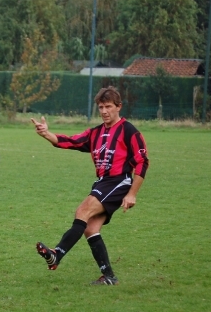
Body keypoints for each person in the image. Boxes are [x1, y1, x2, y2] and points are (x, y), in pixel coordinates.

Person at [31, 86, 149, 285]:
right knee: (90, 228)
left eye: (108, 106)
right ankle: (109, 277)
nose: (104, 111)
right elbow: (70, 141)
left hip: (119, 181)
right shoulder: (95, 133)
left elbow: (142, 162)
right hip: (104, 182)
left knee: (83, 211)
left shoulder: (129, 131)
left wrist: (132, 194)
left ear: (119, 107)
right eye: (101, 107)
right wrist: (46, 134)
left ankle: (56, 255)